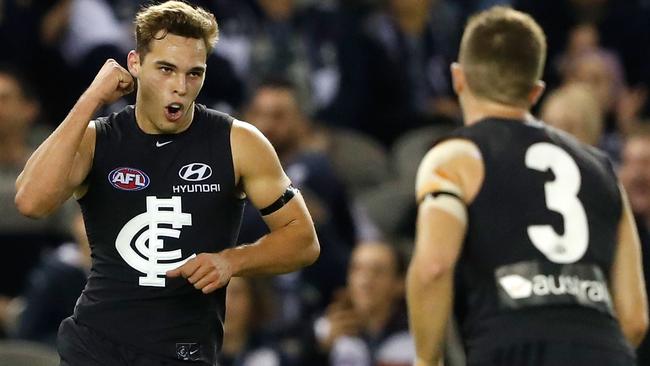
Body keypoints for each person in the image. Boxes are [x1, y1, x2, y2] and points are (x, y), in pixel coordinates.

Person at [14, 1, 320, 365]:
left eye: (194, 73)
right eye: (166, 69)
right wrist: (92, 98)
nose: (180, 87)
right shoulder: (98, 139)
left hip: (184, 351)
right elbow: (31, 202)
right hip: (94, 346)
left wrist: (232, 261)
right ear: (135, 64)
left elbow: (303, 239)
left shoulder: (239, 142)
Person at [406, 6, 647, 366]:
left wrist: (427, 361)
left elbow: (434, 267)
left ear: (459, 78)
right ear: (535, 92)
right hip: (604, 350)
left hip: (510, 345)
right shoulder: (602, 169)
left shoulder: (455, 157)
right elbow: (635, 317)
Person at [310, 241, 414, 366]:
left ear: (400, 283)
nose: (365, 281)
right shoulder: (322, 329)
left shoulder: (416, 336)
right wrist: (321, 350)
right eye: (357, 270)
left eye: (378, 271)